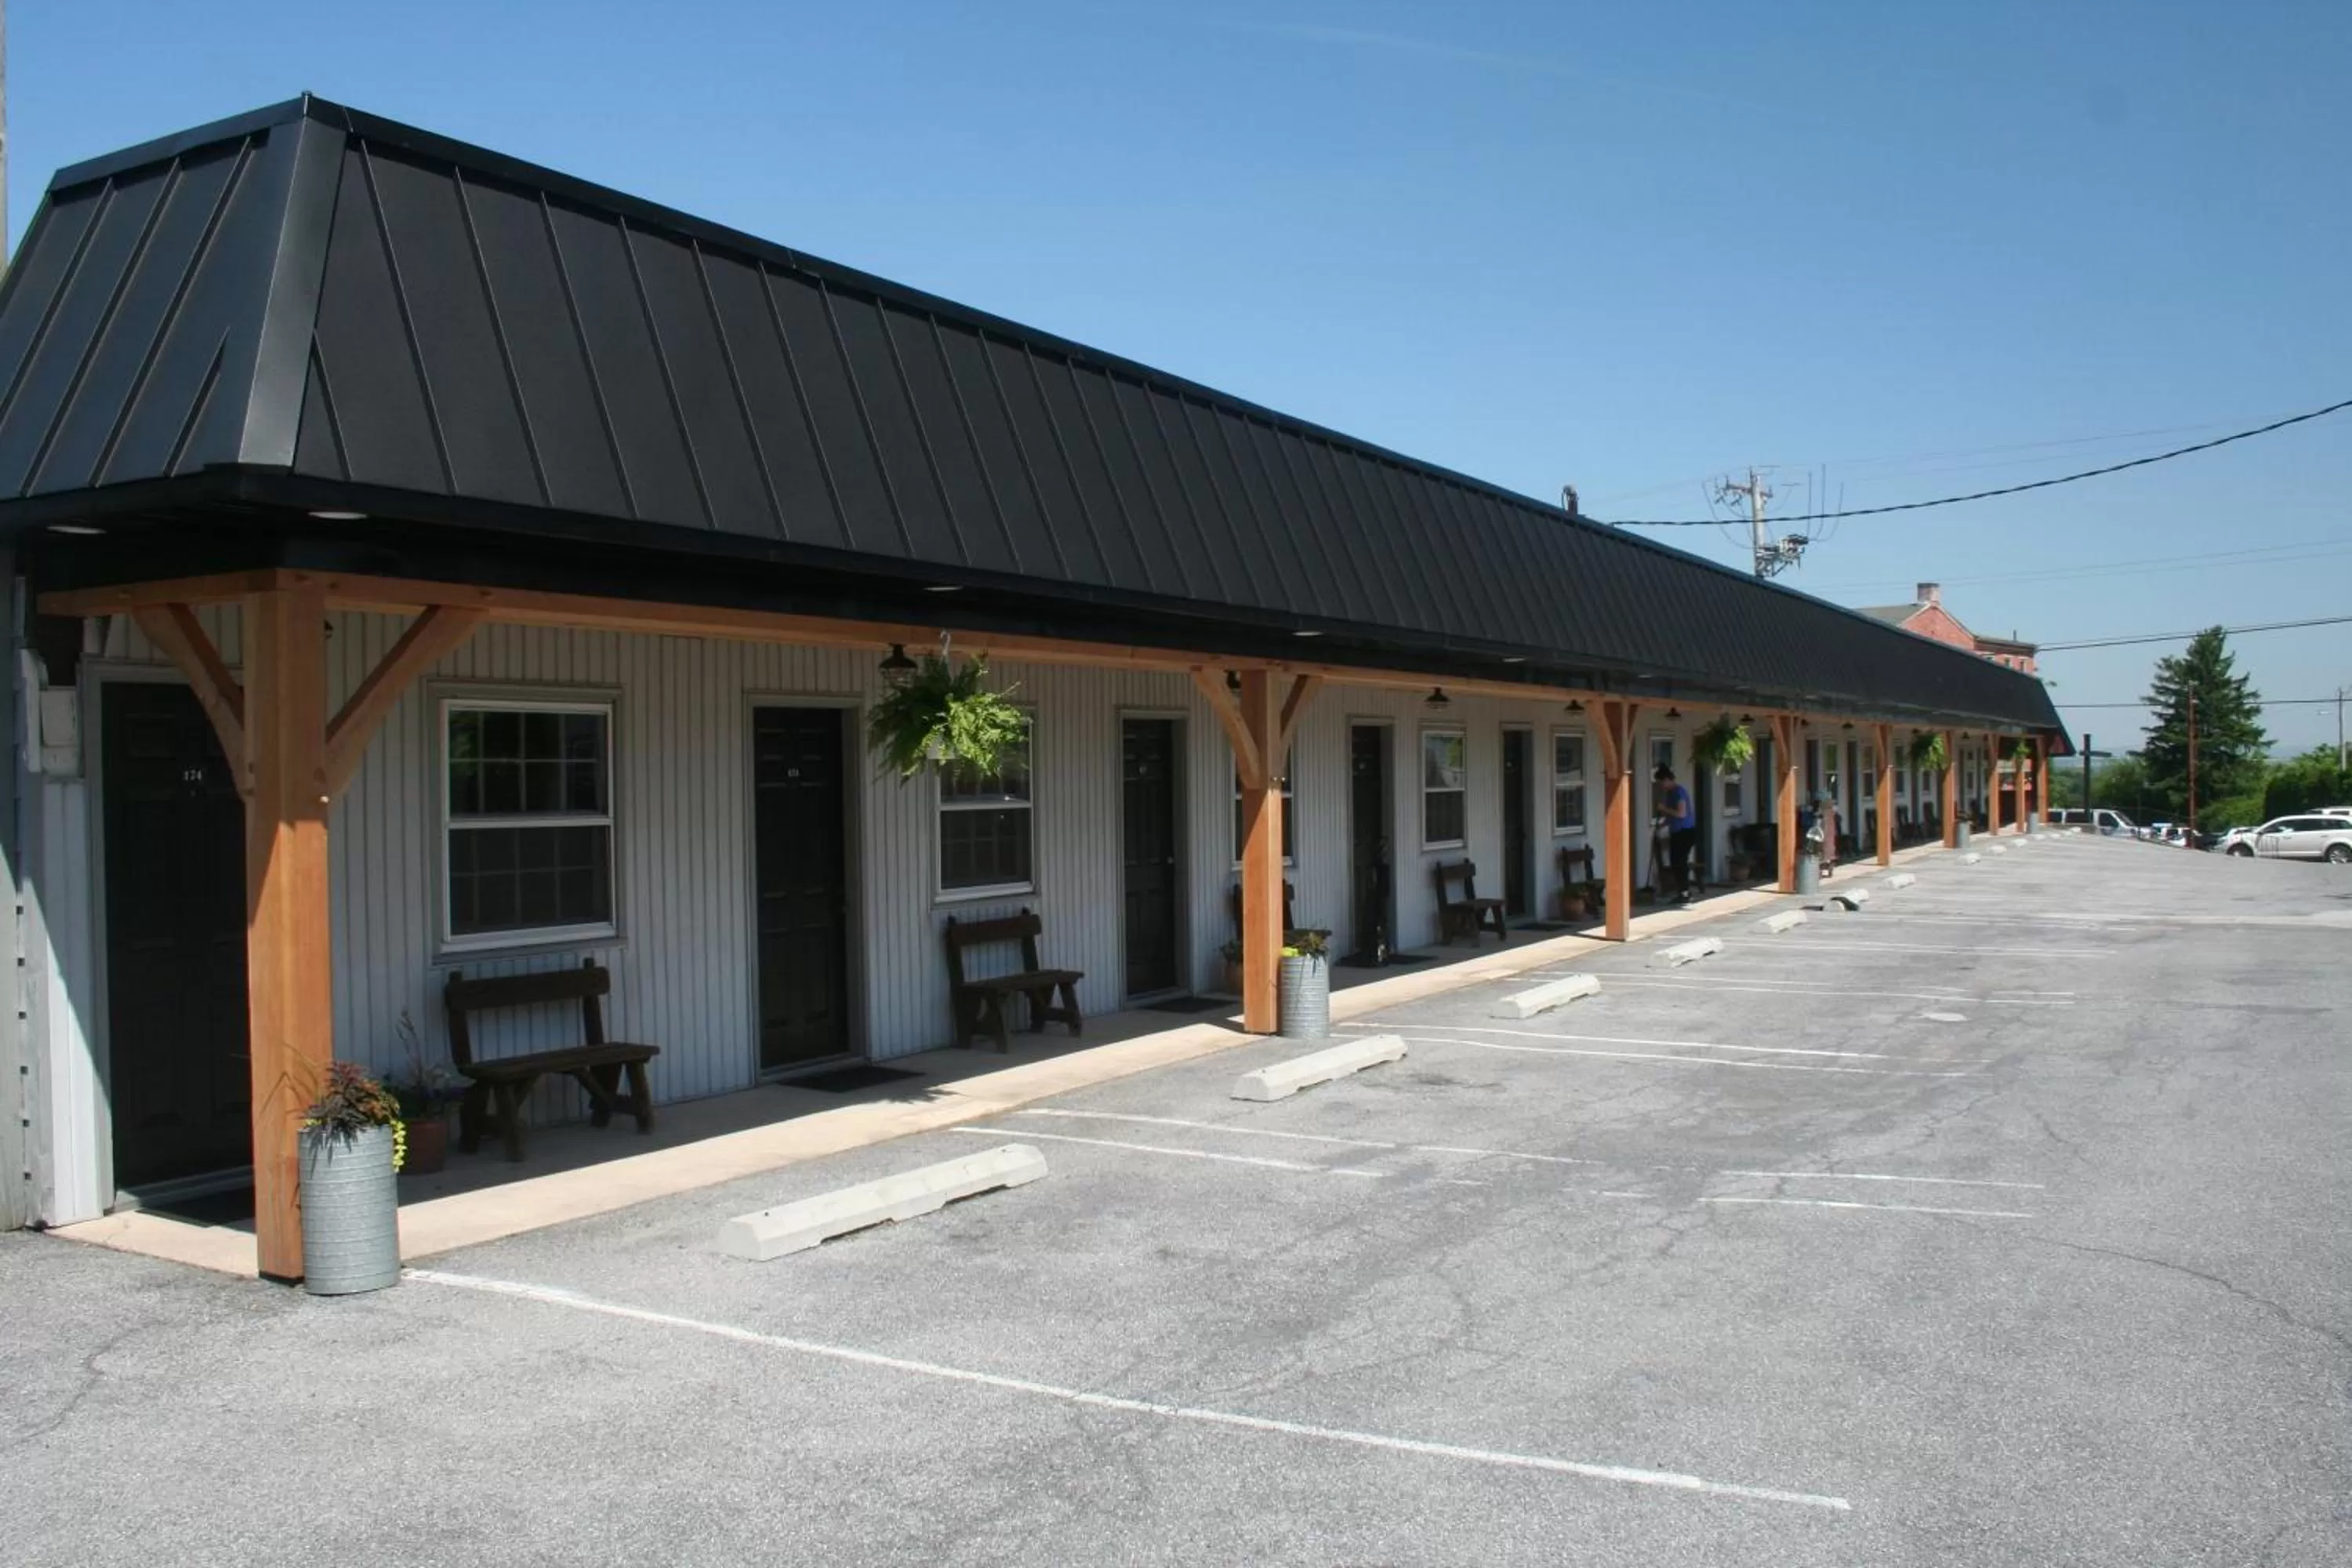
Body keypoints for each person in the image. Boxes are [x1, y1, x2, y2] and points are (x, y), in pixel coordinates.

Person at [1654, 765, 1699, 902]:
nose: (1661, 786)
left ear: (1667, 779)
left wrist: (1664, 809)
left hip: (1685, 832)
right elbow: (1672, 816)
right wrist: (1662, 824)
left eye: (1662, 783)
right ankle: (1682, 891)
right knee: (1676, 862)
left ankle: (1685, 892)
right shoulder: (1671, 794)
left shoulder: (1679, 792)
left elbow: (1681, 813)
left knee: (1680, 862)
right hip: (1677, 832)